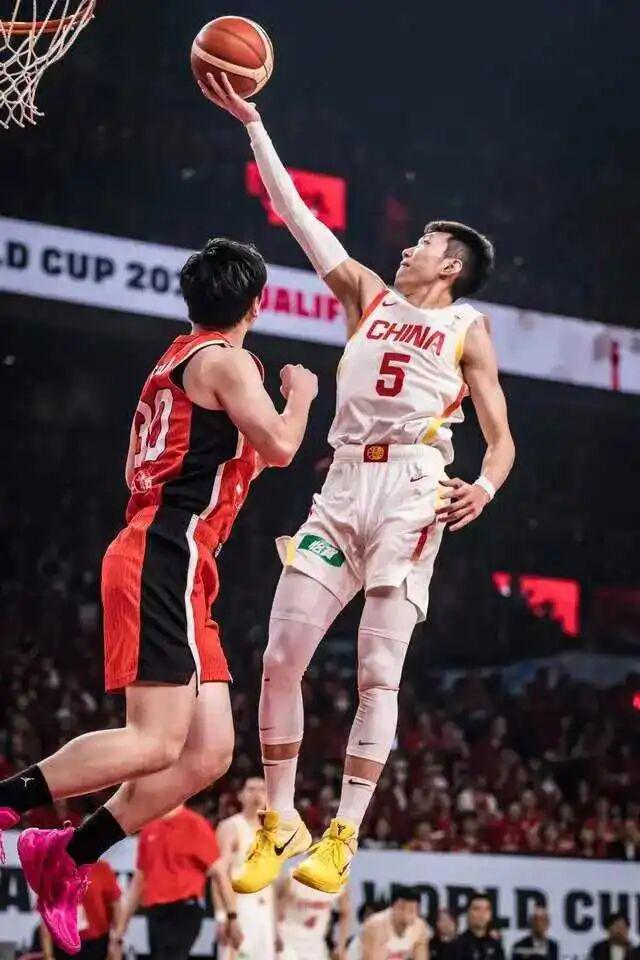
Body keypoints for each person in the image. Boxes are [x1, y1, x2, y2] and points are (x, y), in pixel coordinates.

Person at [201, 73, 515, 894]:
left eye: (425, 243)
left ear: (451, 265)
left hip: (414, 489)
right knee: (279, 656)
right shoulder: (367, 295)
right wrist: (255, 126)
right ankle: (280, 820)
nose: (408, 247)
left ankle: (342, 833)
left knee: (378, 671)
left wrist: (484, 487)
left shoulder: (466, 327)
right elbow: (295, 216)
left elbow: (502, 440)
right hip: (341, 486)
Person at [0, 237, 318, 954]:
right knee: (155, 740)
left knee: (208, 755)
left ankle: (66, 855)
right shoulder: (227, 361)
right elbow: (281, 446)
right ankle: (9, 804)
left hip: (182, 559)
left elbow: (165, 466)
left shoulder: (174, 362)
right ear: (256, 303)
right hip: (165, 552)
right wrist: (299, 396)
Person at [112, 804, 241, 960]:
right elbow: (138, 882)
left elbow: (219, 872)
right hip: (155, 913)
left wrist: (232, 915)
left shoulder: (195, 825)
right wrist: (121, 928)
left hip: (185, 909)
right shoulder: (149, 829)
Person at [215, 777, 277, 960]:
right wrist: (222, 916)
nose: (257, 794)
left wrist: (276, 927)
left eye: (262, 790)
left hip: (265, 913)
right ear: (240, 795)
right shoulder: (230, 826)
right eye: (251, 789)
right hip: (240, 909)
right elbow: (218, 873)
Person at [40, 859, 123, 960]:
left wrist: (116, 942)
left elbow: (116, 908)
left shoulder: (101, 868)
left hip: (97, 944)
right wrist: (48, 955)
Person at [277, 868, 351, 960]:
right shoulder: (292, 878)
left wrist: (341, 947)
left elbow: (345, 913)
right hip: (288, 945)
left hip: (316, 947)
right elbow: (275, 913)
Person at [360, 887, 429, 960]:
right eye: (402, 908)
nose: (407, 914)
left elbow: (421, 956)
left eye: (412, 910)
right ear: (393, 907)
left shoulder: (420, 926)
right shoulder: (373, 925)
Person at [446, 894, 505, 960]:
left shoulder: (496, 946)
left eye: (486, 909)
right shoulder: (456, 946)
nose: (482, 913)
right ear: (468, 912)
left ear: (490, 914)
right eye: (477, 909)